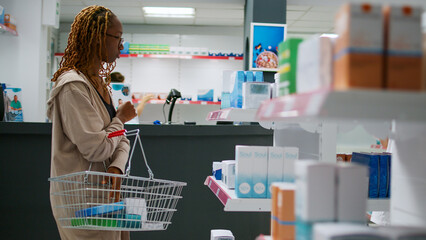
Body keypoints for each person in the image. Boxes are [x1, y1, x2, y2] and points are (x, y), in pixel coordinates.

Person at [46, 5, 136, 240]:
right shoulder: (73, 87)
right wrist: (120, 119)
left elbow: (121, 139)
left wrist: (117, 165)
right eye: (117, 38)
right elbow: (96, 148)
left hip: (106, 195)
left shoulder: (99, 85)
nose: (121, 46)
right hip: (82, 203)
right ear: (97, 38)